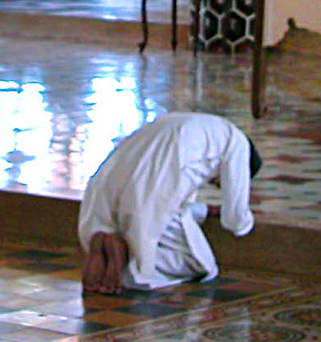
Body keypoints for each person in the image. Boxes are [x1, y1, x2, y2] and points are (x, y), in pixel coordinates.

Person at [78, 112, 260, 295]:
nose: (215, 184)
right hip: (151, 185)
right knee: (201, 264)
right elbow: (235, 218)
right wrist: (245, 224)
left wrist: (203, 210)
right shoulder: (239, 146)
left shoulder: (204, 126)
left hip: (111, 179)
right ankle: (125, 257)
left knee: (148, 234)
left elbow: (176, 195)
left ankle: (107, 247)